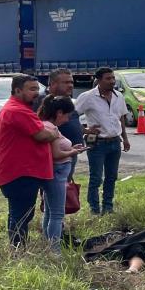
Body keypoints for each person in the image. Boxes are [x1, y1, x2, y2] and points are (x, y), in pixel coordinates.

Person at [0, 74, 58, 246]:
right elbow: (43, 135)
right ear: (17, 90)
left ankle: (17, 249)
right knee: (21, 215)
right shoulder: (18, 110)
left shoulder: (15, 108)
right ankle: (18, 250)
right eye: (32, 89)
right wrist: (54, 132)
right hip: (21, 172)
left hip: (19, 171)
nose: (37, 93)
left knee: (20, 213)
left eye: (37, 88)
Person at [75, 67, 131, 215]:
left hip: (114, 142)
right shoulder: (87, 97)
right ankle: (94, 209)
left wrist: (125, 138)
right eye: (108, 78)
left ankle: (108, 207)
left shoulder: (119, 96)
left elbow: (121, 118)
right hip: (97, 143)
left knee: (111, 177)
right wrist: (86, 130)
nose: (112, 81)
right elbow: (71, 116)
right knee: (96, 178)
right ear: (98, 80)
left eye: (113, 78)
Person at [38, 96, 86, 247]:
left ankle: (48, 244)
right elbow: (56, 155)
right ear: (59, 113)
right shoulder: (50, 128)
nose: (67, 119)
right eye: (66, 115)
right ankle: (55, 249)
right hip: (57, 173)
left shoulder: (47, 126)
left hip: (54, 172)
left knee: (49, 212)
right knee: (57, 215)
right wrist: (72, 153)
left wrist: (72, 149)